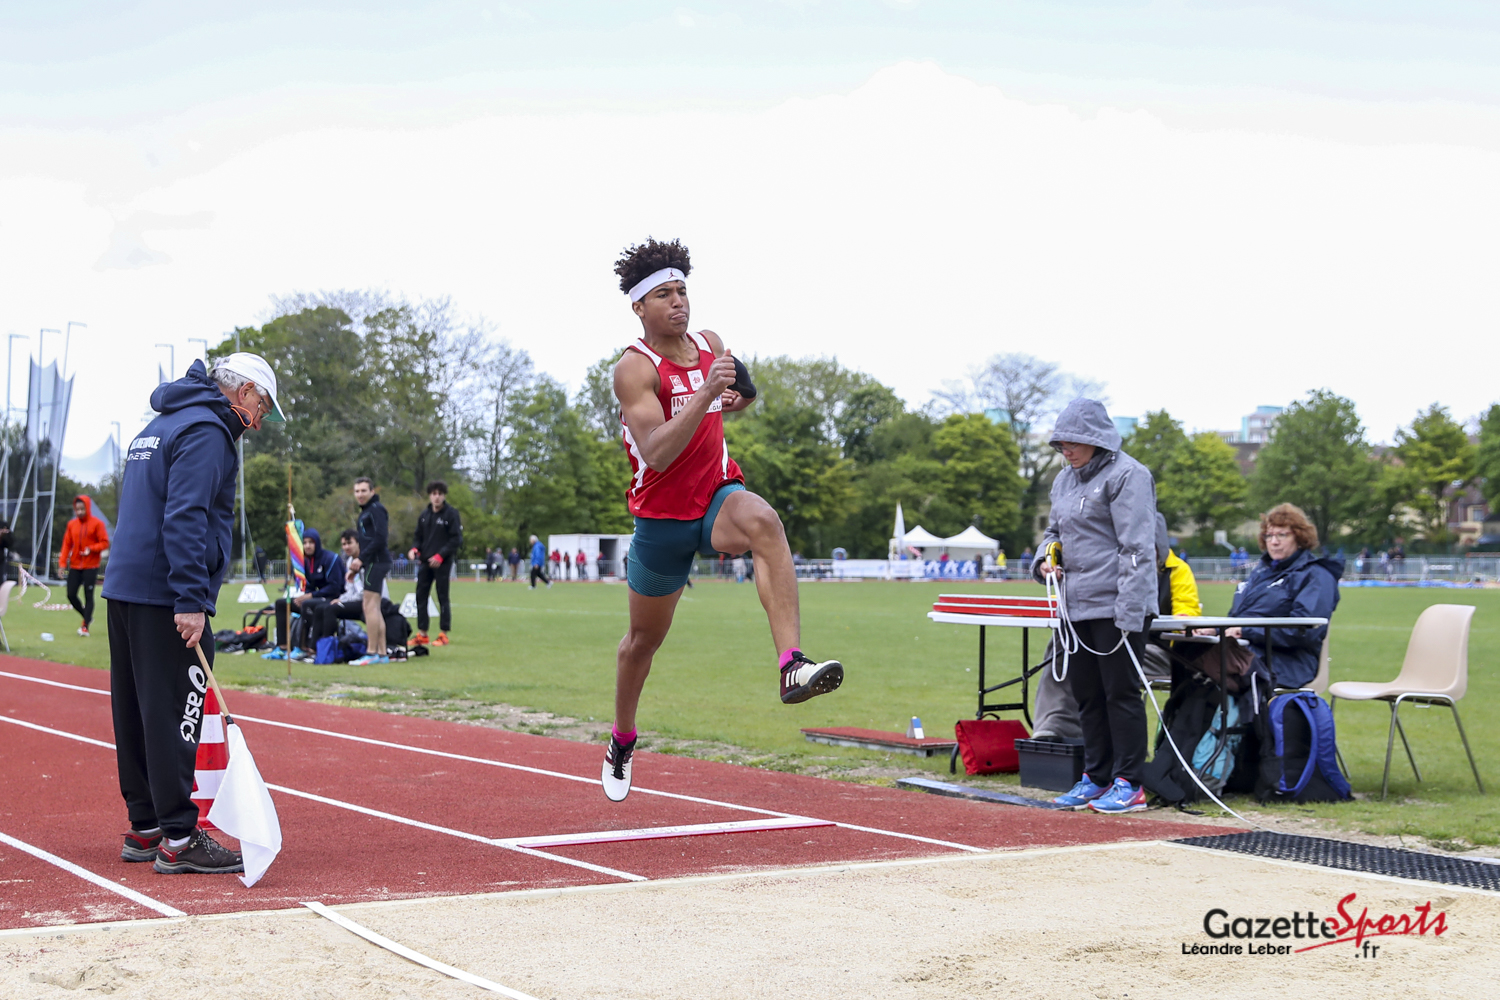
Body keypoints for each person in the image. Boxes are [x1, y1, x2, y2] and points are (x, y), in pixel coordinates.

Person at [603, 237, 843, 802]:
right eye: (664, 294)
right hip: (661, 517)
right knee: (641, 643)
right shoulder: (634, 369)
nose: (678, 302)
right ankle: (622, 737)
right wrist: (707, 392)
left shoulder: (710, 344)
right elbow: (656, 452)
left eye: (682, 291)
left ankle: (791, 664)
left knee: (765, 521)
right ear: (639, 306)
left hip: (716, 496)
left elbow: (743, 390)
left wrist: (734, 398)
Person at [103, 352, 284, 875]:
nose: (259, 420)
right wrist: (190, 599)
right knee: (172, 712)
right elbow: (185, 516)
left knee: (135, 711)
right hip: (165, 591)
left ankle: (146, 826)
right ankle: (180, 836)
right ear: (244, 391)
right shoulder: (207, 431)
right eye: (262, 406)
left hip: (127, 585)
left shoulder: (162, 422)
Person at [1032, 399, 1157, 815]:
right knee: (1086, 694)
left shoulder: (1129, 475)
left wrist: (1129, 612)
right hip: (1075, 606)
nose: (1065, 450)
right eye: (1059, 444)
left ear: (1096, 439)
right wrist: (1045, 559)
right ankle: (1096, 776)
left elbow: (1137, 547)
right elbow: (1053, 531)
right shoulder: (1063, 481)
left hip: (1117, 605)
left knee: (1120, 693)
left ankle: (1130, 782)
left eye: (1072, 442)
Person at [1032, 513, 1201, 741]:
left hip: (1161, 652)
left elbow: (1187, 613)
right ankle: (1055, 727)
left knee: (1099, 654)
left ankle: (1102, 740)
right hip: (1113, 641)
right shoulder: (1115, 564)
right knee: (1066, 646)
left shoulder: (1178, 571)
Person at [1200, 503, 1341, 691]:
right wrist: (1215, 631)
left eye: (1282, 535)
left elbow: (1305, 630)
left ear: (1299, 538)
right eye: (1269, 535)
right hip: (1248, 653)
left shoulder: (1316, 576)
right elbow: (1237, 621)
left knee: (1207, 663)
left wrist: (1245, 632)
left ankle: (1226, 710)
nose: (1274, 542)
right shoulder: (1260, 574)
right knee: (1187, 651)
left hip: (1289, 663)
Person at [265, 528, 344, 659]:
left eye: (311, 542)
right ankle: (282, 647)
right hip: (314, 599)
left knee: (307, 604)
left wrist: (311, 596)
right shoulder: (305, 561)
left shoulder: (331, 559)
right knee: (281, 603)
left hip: (333, 599)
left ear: (317, 543)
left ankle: (303, 647)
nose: (307, 546)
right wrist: (305, 595)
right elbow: (309, 586)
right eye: (305, 543)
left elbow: (335, 587)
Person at [409, 480, 462, 647]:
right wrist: (414, 549)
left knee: (442, 596)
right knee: (421, 596)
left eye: (440, 494)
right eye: (434, 494)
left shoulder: (451, 514)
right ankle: (422, 633)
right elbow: (418, 537)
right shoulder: (425, 515)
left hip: (442, 563)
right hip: (425, 562)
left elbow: (456, 539)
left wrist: (441, 555)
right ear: (430, 496)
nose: (436, 497)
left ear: (444, 495)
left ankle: (443, 634)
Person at [346, 477, 392, 665]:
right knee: (374, 607)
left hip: (377, 562)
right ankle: (382, 653)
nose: (360, 494)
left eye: (364, 490)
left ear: (372, 492)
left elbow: (380, 538)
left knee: (369, 606)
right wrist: (358, 565)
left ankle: (371, 652)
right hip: (371, 562)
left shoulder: (376, 509)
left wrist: (361, 559)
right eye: (357, 491)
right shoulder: (366, 512)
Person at [59, 494, 110, 637]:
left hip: (91, 565)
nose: (80, 512)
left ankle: (85, 626)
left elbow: (105, 542)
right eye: (77, 509)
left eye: (82, 509)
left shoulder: (97, 524)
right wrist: (62, 564)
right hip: (75, 565)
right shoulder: (72, 525)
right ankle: (87, 616)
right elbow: (66, 545)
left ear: (87, 508)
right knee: (71, 594)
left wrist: (91, 549)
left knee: (89, 595)